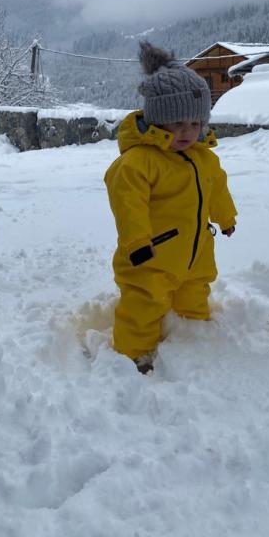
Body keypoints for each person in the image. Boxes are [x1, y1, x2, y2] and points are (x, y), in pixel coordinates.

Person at [104, 42, 237, 373]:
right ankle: (133, 353)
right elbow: (128, 203)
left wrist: (225, 217)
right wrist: (137, 243)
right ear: (157, 119)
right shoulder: (139, 162)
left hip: (196, 252)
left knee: (195, 293)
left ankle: (192, 336)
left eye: (194, 124)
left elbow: (216, 187)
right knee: (143, 302)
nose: (187, 133)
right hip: (151, 257)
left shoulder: (204, 158)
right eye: (177, 124)